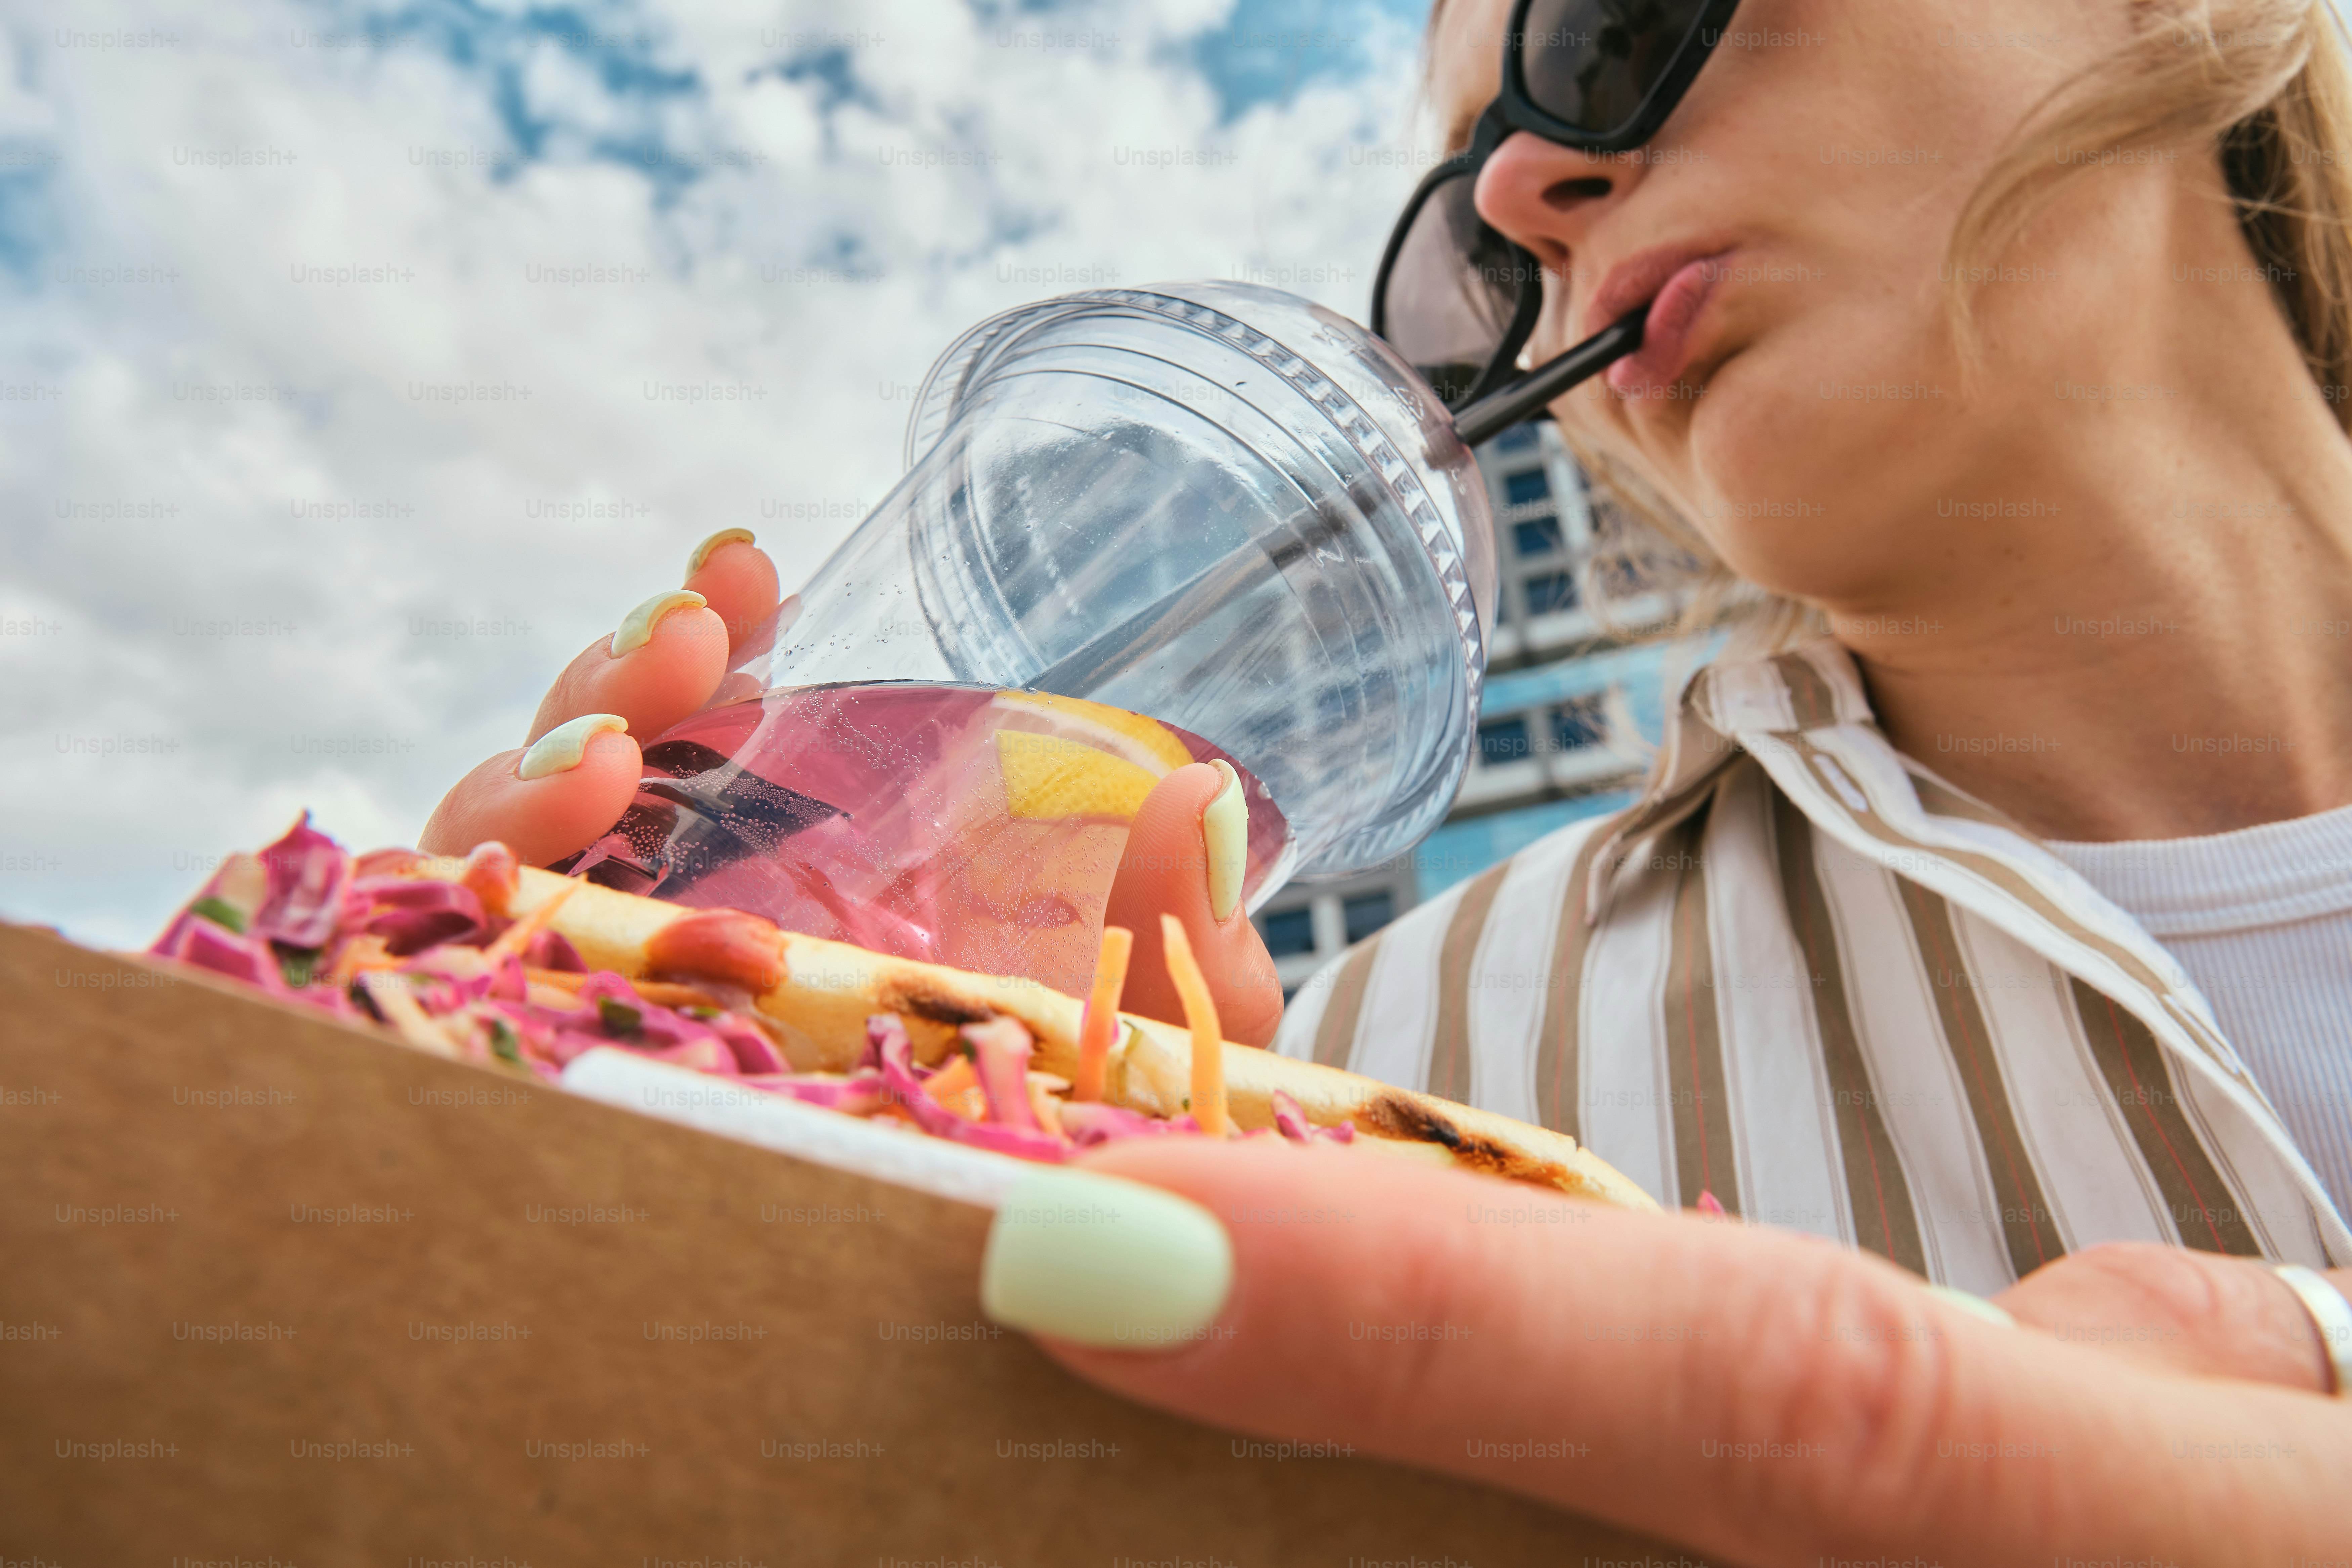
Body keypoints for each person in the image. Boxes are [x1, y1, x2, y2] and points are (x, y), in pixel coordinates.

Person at [425, 0, 2352, 1556]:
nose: (1522, 189)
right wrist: (668, 1335)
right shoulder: (1355, 1100)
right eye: (1453, 258)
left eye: (1606, 26)